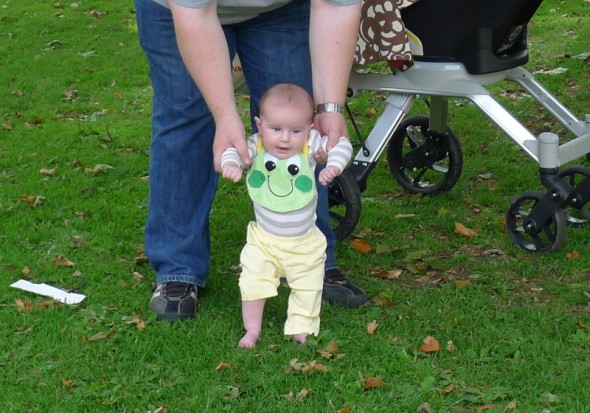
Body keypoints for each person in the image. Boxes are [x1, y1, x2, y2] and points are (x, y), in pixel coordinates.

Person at [134, 0, 368, 321]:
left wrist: (331, 107)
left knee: (293, 117)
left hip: (279, 8)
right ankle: (178, 269)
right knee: (186, 120)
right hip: (182, 11)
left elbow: (336, 5)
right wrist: (225, 116)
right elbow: (195, 14)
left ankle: (308, 261)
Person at [220, 83, 353, 347]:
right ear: (260, 125)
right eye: (276, 129)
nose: (284, 138)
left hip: (304, 243)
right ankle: (252, 329)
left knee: (308, 286)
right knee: (253, 282)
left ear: (310, 128)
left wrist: (334, 165)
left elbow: (342, 145)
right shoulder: (256, 145)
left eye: (295, 131)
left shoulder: (310, 146)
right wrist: (231, 163)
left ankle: (301, 328)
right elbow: (231, 150)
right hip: (263, 241)